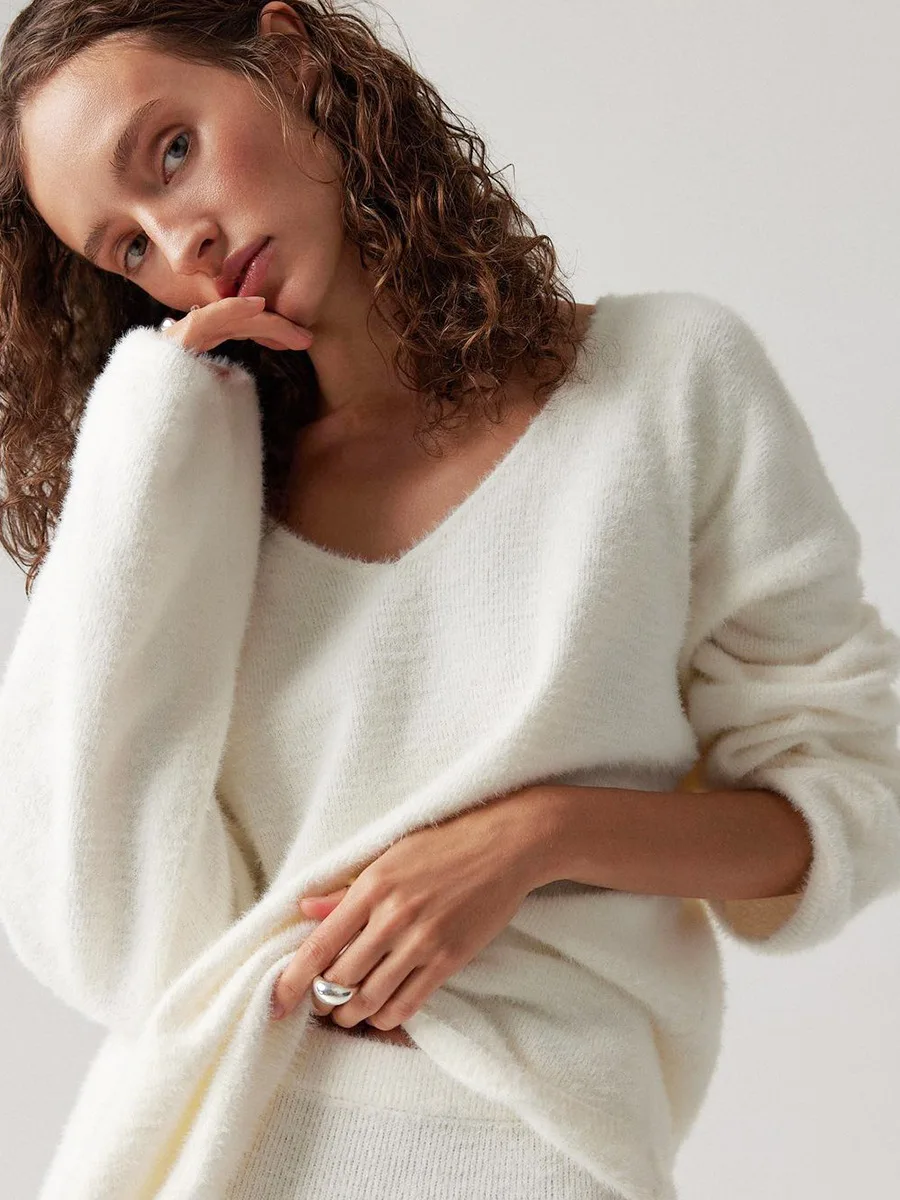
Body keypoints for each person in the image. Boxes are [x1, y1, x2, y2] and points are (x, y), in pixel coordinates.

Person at [2, 2, 899, 1199]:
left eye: (172, 151)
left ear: (292, 58)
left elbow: (854, 793)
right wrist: (145, 437)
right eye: (129, 250)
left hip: (535, 1146)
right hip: (216, 1149)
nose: (185, 241)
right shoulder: (204, 510)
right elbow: (99, 928)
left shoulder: (666, 385)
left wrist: (537, 836)